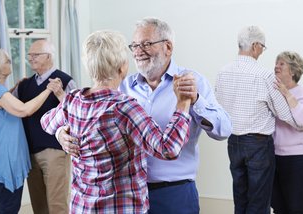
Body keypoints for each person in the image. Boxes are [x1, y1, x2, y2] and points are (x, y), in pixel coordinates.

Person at [57, 17, 232, 214]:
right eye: (135, 45)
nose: (138, 51)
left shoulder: (192, 82)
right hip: (124, 196)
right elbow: (74, 118)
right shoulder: (120, 87)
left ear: (168, 47)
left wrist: (196, 100)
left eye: (146, 44)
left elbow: (224, 129)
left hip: (173, 194)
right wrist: (62, 134)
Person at [40, 30, 192, 214]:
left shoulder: (72, 100)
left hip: (82, 207)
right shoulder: (124, 108)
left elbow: (46, 122)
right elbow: (168, 148)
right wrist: (183, 104)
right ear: (122, 67)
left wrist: (60, 133)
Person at [215, 26, 303, 214]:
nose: (263, 52)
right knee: (260, 200)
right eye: (263, 47)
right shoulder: (265, 76)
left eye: (282, 64)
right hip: (258, 145)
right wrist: (298, 123)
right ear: (255, 46)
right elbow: (286, 115)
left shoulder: (223, 72)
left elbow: (219, 107)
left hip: (235, 142)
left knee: (241, 196)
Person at [0, 49, 56, 213]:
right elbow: (24, 110)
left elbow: (2, 107)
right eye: (6, 61)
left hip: (1, 153)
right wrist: (48, 89)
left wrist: (15, 87)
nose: (10, 62)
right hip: (7, 156)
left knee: (6, 203)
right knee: (9, 207)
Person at [13, 39, 76, 214]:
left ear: (48, 56)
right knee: (38, 205)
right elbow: (10, 108)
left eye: (35, 55)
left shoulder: (65, 80)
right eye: (29, 55)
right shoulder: (24, 84)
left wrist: (60, 94)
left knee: (57, 205)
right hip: (29, 152)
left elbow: (76, 113)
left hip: (54, 152)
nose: (30, 58)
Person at [271, 51, 303, 214]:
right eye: (276, 63)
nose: (276, 66)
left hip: (297, 159)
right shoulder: (274, 92)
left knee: (296, 207)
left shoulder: (302, 93)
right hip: (274, 157)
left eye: (281, 64)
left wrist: (286, 93)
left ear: (293, 71)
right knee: (278, 206)